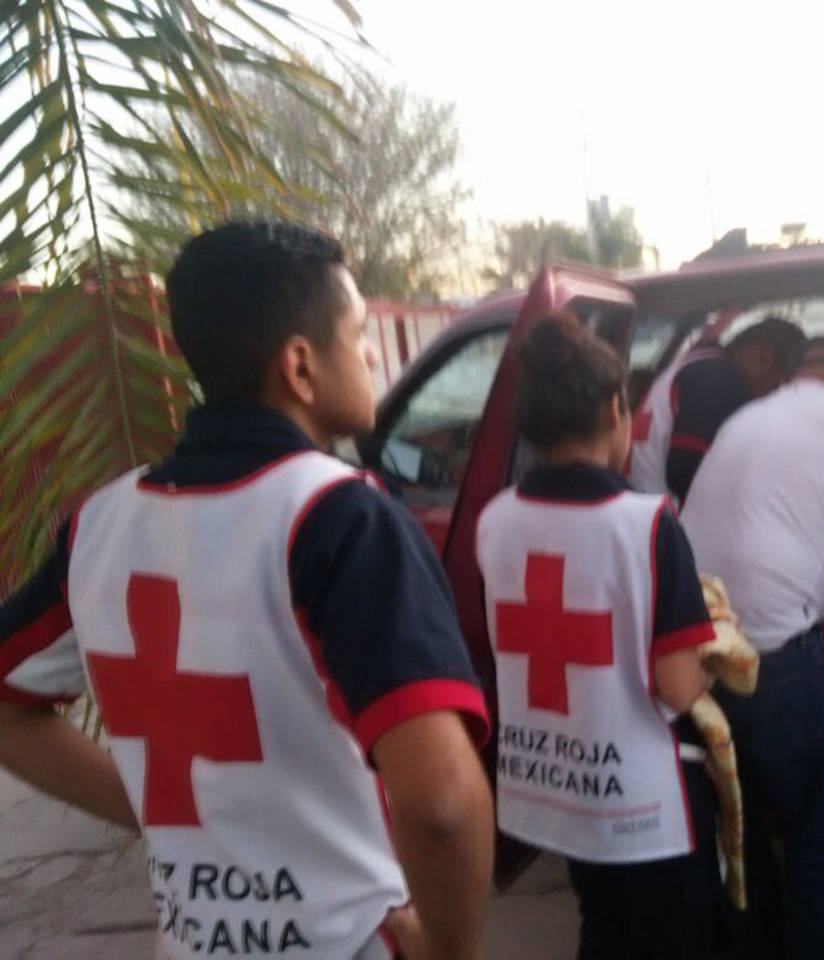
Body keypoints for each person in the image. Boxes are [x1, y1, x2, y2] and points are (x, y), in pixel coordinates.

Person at [0, 222, 494, 960]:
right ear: (300, 366)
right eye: (358, 334)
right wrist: (446, 948)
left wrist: (156, 808)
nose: (369, 356)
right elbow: (442, 803)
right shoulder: (341, 518)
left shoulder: (98, 524)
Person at [476, 313, 724, 960]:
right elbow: (678, 686)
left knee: (604, 929)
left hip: (556, 792)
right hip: (643, 804)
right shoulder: (647, 525)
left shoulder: (494, 520)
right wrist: (718, 651)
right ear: (617, 411)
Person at [680, 335, 824, 959]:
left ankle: (753, 945)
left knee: (738, 820)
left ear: (797, 374)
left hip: (691, 644)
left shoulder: (748, 415)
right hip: (775, 652)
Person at [628, 316, 806, 506]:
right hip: (665, 511)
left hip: (647, 501)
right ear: (764, 358)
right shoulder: (719, 379)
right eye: (780, 380)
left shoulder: (702, 364)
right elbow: (686, 472)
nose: (777, 391)